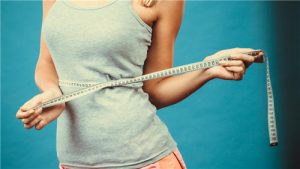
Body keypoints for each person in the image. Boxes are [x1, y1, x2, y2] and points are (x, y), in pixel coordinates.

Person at [16, 0, 264, 168]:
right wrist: (53, 93)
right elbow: (46, 62)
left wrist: (207, 70)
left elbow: (155, 90)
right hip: (73, 161)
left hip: (146, 160)